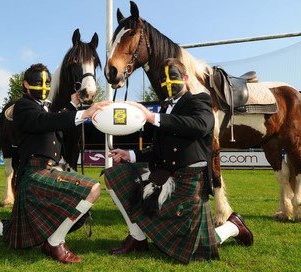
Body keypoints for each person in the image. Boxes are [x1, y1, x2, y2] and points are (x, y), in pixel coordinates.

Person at [103, 58, 253, 264]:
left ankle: (233, 226)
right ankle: (137, 237)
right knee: (115, 174)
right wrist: (131, 154)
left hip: (190, 179)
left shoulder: (200, 100)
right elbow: (159, 149)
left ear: (185, 78)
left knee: (194, 249)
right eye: (163, 81)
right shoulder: (165, 108)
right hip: (165, 174)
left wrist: (151, 117)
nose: (167, 84)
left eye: (172, 78)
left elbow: (200, 125)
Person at [0, 63, 111, 264]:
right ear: (25, 84)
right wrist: (84, 114)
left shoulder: (41, 108)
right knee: (93, 189)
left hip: (44, 171)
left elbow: (53, 123)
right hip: (36, 173)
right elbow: (45, 121)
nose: (43, 87)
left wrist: (73, 105)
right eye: (37, 82)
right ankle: (55, 242)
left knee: (23, 228)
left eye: (47, 83)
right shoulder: (23, 106)